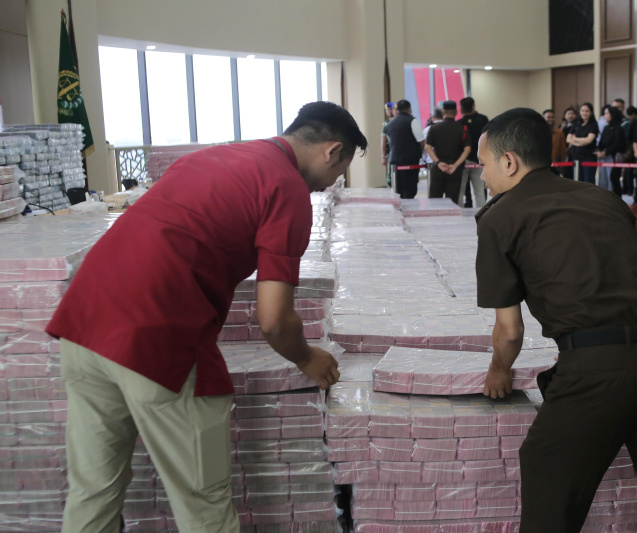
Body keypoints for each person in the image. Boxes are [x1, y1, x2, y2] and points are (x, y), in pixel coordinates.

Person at [45, 102, 366, 533]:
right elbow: (274, 318)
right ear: (332, 150)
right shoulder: (286, 187)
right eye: (340, 171)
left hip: (84, 323)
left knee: (93, 489)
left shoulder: (215, 156)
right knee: (203, 505)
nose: (333, 182)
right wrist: (307, 357)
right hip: (156, 339)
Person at [475, 107, 637, 533]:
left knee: (547, 477)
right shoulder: (603, 198)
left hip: (598, 373)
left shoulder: (500, 217)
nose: (483, 176)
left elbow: (510, 331)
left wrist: (498, 371)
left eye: (484, 164)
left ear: (509, 161)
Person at [425, 100, 471, 204]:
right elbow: (467, 149)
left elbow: (427, 147)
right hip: (455, 170)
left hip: (438, 169)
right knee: (452, 202)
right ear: (456, 113)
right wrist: (455, 165)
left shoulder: (433, 128)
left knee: (435, 201)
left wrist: (438, 162)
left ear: (443, 112)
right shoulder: (463, 129)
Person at [386, 99, 425, 199]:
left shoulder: (389, 124)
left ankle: (400, 207)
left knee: (398, 189)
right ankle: (409, 207)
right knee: (410, 189)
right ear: (410, 109)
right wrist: (420, 153)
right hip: (411, 161)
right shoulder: (412, 121)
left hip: (395, 161)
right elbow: (421, 141)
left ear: (397, 110)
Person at [458, 97, 489, 208]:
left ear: (461, 109)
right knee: (480, 191)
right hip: (479, 160)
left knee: (461, 190)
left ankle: (460, 212)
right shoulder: (483, 120)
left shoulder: (459, 123)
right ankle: (482, 212)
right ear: (473, 106)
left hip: (463, 160)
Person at [595, 104, 626, 195]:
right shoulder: (606, 127)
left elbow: (618, 144)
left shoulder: (618, 128)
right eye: (604, 113)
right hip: (603, 157)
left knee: (612, 180)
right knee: (603, 180)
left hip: (613, 157)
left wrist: (606, 152)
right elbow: (601, 142)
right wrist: (599, 150)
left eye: (607, 113)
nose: (605, 116)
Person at [566, 102, 599, 184]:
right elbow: (568, 139)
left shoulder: (593, 125)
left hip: (588, 157)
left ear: (591, 112)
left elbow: (588, 140)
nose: (584, 113)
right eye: (582, 111)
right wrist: (580, 143)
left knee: (588, 181)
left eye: (587, 111)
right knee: (578, 181)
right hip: (576, 156)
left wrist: (575, 139)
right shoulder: (576, 124)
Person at [381, 102, 396, 187]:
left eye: (391, 109)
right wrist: (383, 156)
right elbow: (383, 140)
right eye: (387, 109)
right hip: (390, 152)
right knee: (390, 175)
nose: (389, 111)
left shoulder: (398, 121)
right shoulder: (385, 124)